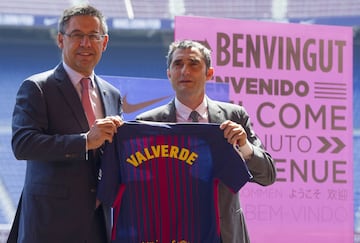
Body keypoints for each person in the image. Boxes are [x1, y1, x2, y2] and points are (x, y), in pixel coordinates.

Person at [136, 39, 276, 243]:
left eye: (193, 64)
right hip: (171, 233)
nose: (185, 70)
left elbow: (267, 175)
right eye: (177, 64)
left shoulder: (234, 116)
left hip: (225, 234)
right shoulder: (148, 124)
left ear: (209, 73)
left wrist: (244, 147)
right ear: (169, 74)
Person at [9, 4, 123, 243]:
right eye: (77, 35)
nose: (85, 43)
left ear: (104, 42)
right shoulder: (37, 87)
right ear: (61, 40)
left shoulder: (112, 94)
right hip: (50, 225)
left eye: (93, 36)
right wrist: (85, 141)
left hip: (98, 224)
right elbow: (23, 145)